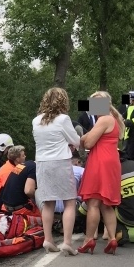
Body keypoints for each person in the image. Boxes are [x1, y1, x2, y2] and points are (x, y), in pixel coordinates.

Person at [32, 87, 81, 255]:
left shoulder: (36, 120)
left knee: (48, 203)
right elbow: (76, 140)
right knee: (69, 202)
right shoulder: (63, 119)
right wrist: (70, 143)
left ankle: (48, 239)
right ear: (63, 101)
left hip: (42, 164)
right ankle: (67, 242)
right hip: (60, 163)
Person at [77, 91, 125, 255]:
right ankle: (112, 238)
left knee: (93, 203)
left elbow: (89, 142)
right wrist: (86, 137)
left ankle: (89, 239)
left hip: (100, 162)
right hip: (112, 161)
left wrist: (84, 139)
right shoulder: (114, 119)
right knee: (107, 205)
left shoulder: (103, 119)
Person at [0, 145, 26, 210]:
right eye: (23, 155)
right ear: (18, 159)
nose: (25, 157)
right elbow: (11, 189)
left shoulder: (11, 165)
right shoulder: (7, 171)